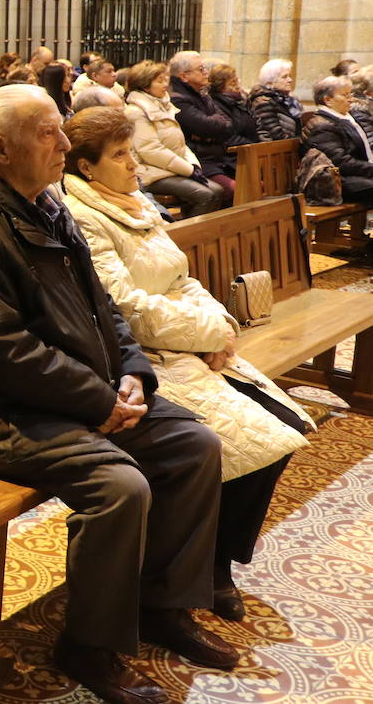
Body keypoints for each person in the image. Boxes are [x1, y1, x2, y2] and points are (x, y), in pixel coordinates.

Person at [0, 86, 235, 704]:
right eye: (48, 133)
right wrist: (98, 402)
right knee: (121, 488)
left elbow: (104, 308)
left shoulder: (47, 205)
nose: (65, 144)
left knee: (195, 446)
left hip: (77, 394)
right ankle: (89, 647)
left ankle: (161, 608)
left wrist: (132, 374)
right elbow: (5, 354)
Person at [61, 107, 314, 619]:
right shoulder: (83, 215)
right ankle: (200, 570)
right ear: (87, 168)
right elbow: (124, 306)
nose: (134, 165)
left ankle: (217, 559)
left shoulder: (135, 203)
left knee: (285, 426)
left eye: (132, 151)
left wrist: (218, 321)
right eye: (121, 155)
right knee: (232, 444)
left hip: (188, 344)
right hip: (144, 359)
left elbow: (183, 277)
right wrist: (209, 332)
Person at [124, 60, 225, 217]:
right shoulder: (136, 111)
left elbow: (181, 143)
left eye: (166, 80)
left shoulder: (164, 106)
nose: (166, 85)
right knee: (206, 195)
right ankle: (187, 237)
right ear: (144, 85)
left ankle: (199, 236)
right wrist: (189, 170)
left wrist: (193, 165)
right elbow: (150, 150)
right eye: (159, 81)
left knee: (218, 190)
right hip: (151, 173)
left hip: (171, 169)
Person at [167, 51, 236, 202]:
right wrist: (211, 130)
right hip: (199, 162)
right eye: (201, 69)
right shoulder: (177, 100)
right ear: (184, 76)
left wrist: (210, 132)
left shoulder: (203, 95)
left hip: (217, 159)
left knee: (253, 184)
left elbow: (229, 125)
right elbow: (205, 126)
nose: (206, 73)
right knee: (233, 190)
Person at [302, 75, 373, 203]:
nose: (351, 99)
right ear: (328, 100)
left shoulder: (345, 118)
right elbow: (341, 163)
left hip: (355, 176)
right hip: (336, 182)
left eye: (350, 94)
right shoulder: (322, 126)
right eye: (345, 95)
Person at [246, 58, 303, 141]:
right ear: (270, 82)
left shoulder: (288, 100)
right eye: (284, 77)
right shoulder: (263, 102)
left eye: (289, 76)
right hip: (276, 150)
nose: (290, 80)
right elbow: (275, 134)